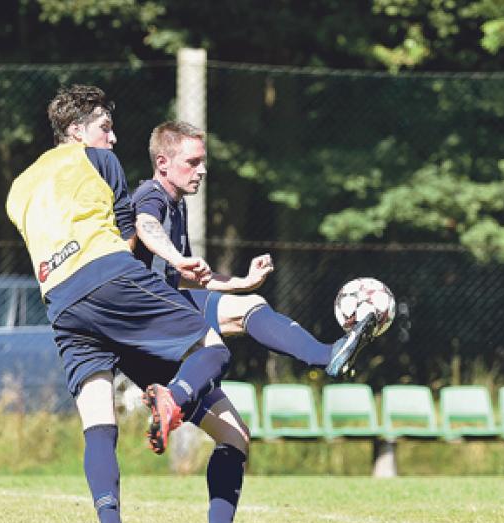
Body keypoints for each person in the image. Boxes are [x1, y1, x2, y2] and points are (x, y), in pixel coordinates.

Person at [5, 85, 251, 523]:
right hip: (108, 276)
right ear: (77, 132)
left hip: (60, 302)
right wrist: (181, 268)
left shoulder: (18, 189)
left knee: (97, 420)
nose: (113, 138)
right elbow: (128, 234)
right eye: (105, 127)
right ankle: (172, 400)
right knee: (214, 347)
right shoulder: (98, 161)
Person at [132, 120, 378, 380]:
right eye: (192, 162)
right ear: (162, 163)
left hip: (164, 300)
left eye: (203, 161)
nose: (202, 170)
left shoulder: (177, 205)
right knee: (211, 355)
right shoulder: (151, 195)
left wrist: (243, 282)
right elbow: (146, 224)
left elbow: (184, 276)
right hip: (141, 309)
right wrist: (178, 258)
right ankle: (325, 355)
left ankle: (328, 355)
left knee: (251, 306)